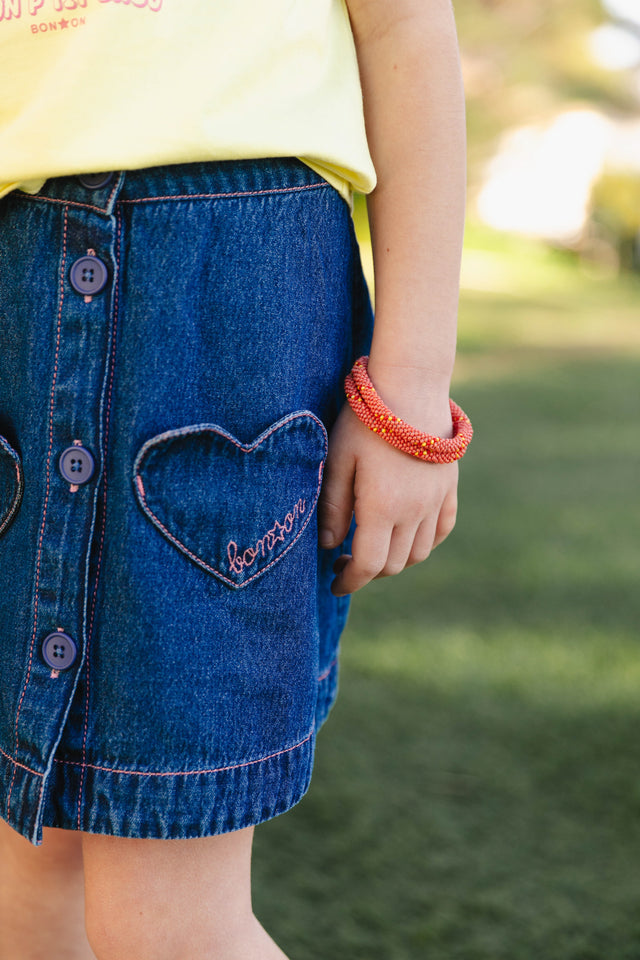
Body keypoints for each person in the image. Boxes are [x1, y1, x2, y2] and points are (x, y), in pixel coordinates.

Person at [0, 0, 469, 957]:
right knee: (24, 877)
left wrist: (411, 386)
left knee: (165, 923)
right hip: (16, 267)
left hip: (222, 281)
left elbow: (407, 27)